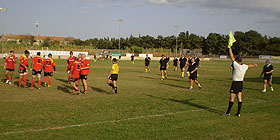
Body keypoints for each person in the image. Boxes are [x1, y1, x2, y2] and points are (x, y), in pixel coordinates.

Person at [224, 47, 257, 117]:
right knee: (239, 97)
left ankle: (228, 112)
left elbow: (232, 56)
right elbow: (249, 66)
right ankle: (238, 113)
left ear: (236, 60)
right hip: (241, 83)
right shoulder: (244, 66)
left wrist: (230, 49)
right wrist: (254, 65)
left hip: (235, 83)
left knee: (232, 98)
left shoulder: (236, 65)